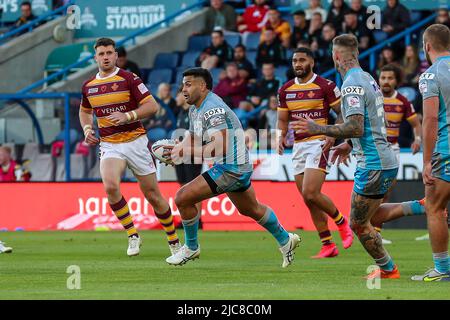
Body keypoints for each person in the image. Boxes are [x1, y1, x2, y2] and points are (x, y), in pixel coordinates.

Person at [165, 67, 300, 267]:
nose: (183, 89)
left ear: (202, 86)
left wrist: (184, 152)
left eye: (188, 84)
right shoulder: (195, 109)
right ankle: (285, 240)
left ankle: (191, 247)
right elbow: (192, 138)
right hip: (234, 166)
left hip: (231, 168)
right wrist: (176, 148)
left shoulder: (213, 109)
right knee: (251, 209)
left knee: (182, 198)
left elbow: (217, 147)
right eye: (182, 84)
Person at [293, 34, 400, 279]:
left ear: (337, 56)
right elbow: (367, 123)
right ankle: (426, 206)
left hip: (373, 164)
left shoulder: (351, 83)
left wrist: (318, 128)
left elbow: (356, 126)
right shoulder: (368, 78)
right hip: (384, 159)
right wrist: (349, 145)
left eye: (332, 53)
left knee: (358, 224)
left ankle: (388, 269)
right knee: (372, 216)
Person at [78, 38, 180, 257]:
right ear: (95, 57)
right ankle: (133, 235)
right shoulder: (88, 86)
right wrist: (87, 130)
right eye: (101, 54)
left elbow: (152, 106)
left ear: (116, 55)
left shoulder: (129, 78)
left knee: (153, 195)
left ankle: (173, 240)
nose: (105, 57)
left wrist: (127, 116)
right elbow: (85, 111)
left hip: (135, 141)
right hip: (110, 144)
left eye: (109, 53)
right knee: (111, 187)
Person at [277, 47, 353, 258]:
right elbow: (283, 119)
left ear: (311, 61)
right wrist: (280, 137)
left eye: (302, 60)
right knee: (308, 199)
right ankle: (327, 244)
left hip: (320, 142)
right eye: (294, 61)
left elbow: (343, 114)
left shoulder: (326, 85)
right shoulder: (285, 89)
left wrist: (332, 134)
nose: (298, 64)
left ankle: (342, 223)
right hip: (299, 146)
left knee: (311, 192)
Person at [412, 24, 450, 281]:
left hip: (446, 149)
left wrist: (427, 161)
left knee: (435, 208)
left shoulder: (430, 75)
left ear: (427, 46)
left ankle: (442, 270)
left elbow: (431, 119)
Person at [371, 64, 424, 243]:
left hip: (392, 148)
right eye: (383, 78)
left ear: (397, 81)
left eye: (390, 78)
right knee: (371, 190)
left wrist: (417, 139)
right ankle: (365, 226)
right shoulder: (372, 98)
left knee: (387, 189)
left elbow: (416, 124)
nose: (386, 81)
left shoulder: (402, 101)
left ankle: (376, 232)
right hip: (372, 148)